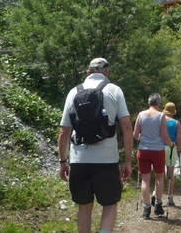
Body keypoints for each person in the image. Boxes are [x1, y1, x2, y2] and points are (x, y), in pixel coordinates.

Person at [58, 58, 133, 233]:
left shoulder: (73, 92)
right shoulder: (114, 90)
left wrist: (63, 161)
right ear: (107, 73)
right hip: (107, 160)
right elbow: (127, 126)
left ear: (87, 72)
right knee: (109, 203)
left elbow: (64, 132)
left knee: (84, 207)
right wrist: (127, 161)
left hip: (79, 160)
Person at [133, 93, 174, 219]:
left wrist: (142, 138)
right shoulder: (161, 116)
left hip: (143, 150)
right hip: (157, 150)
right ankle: (158, 205)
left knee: (145, 179)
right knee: (159, 177)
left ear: (148, 103)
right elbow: (164, 135)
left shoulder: (140, 115)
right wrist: (171, 144)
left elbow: (135, 135)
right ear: (159, 104)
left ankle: (146, 208)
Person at [162, 102, 181, 206]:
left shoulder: (160, 120)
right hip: (171, 148)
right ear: (173, 112)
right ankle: (170, 197)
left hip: (159, 148)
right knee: (170, 173)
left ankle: (156, 195)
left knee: (159, 173)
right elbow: (179, 138)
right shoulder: (176, 123)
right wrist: (178, 149)